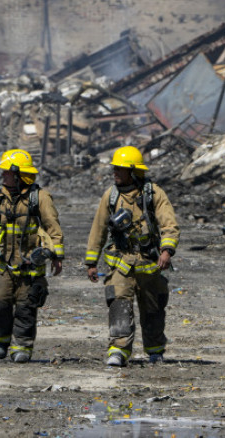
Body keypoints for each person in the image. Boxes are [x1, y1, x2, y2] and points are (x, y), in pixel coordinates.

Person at [85, 145, 179, 367]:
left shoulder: (154, 194)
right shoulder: (111, 196)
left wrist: (166, 250)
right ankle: (118, 350)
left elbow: (169, 223)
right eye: (115, 169)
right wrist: (91, 262)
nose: (115, 173)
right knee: (119, 305)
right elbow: (98, 229)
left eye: (120, 169)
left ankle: (155, 350)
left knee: (153, 309)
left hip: (149, 263)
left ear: (134, 171)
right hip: (121, 264)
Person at [0, 148, 64, 363]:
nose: (2, 175)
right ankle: (2, 342)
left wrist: (57, 257)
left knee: (26, 306)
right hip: (1, 264)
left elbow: (53, 229)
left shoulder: (40, 198)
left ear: (20, 175)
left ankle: (22, 346)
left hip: (29, 265)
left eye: (6, 172)